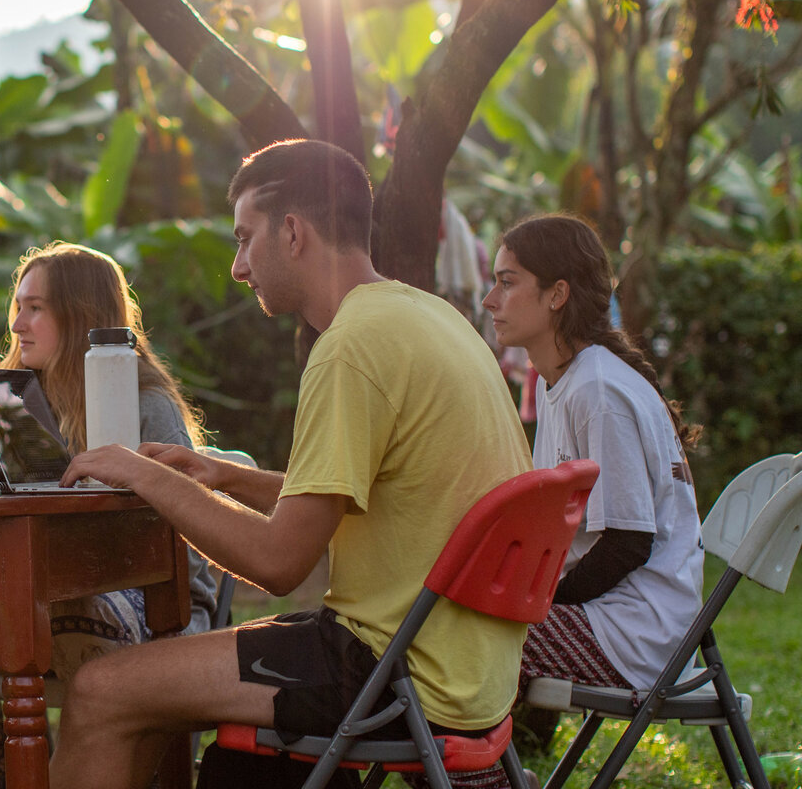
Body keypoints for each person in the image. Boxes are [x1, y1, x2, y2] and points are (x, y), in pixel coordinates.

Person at [48, 139, 532, 789]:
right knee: (160, 690)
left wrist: (147, 474)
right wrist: (225, 475)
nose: (238, 267)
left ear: (294, 232)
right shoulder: (428, 318)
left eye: (246, 239)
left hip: (392, 668)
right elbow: (375, 496)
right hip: (466, 667)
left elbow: (279, 564)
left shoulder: (351, 349)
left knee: (101, 689)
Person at [0, 242, 218, 789]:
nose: (17, 323)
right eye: (17, 306)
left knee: (69, 613)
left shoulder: (142, 402)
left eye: (35, 308)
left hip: (158, 604)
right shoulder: (12, 399)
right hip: (39, 594)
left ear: (83, 312)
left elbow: (188, 532)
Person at [482, 212, 704, 751]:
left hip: (637, 636)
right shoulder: (567, 381)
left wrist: (540, 604)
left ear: (557, 294)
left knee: (457, 643)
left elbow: (627, 541)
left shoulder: (597, 390)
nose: (490, 300)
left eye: (507, 282)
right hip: (614, 620)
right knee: (450, 627)